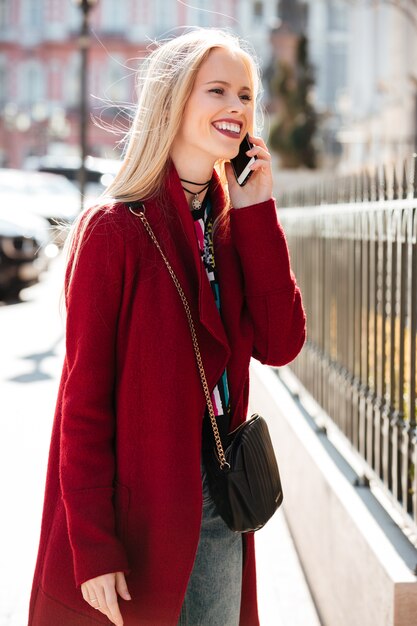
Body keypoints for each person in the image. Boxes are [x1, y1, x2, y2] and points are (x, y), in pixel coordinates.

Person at [28, 28, 306, 626]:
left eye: (246, 96)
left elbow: (282, 344)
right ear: (174, 101)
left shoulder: (235, 230)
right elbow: (83, 405)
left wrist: (258, 212)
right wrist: (94, 545)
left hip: (222, 500)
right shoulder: (114, 230)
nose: (236, 107)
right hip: (136, 510)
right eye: (218, 91)